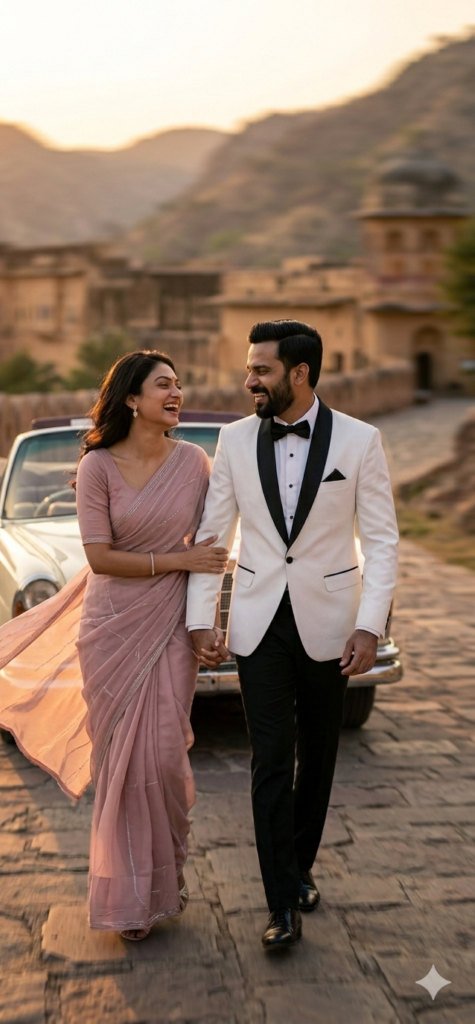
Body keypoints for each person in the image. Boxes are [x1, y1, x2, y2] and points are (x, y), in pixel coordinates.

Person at [0, 350, 228, 942]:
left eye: (178, 384)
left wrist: (207, 621)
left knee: (163, 756)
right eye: (163, 385)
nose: (176, 393)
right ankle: (132, 900)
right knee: (122, 765)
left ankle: (164, 878)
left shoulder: (195, 462)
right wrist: (179, 560)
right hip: (112, 625)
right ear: (131, 398)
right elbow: (100, 557)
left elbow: (212, 548)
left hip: (169, 624)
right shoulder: (97, 466)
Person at [186, 320, 398, 951]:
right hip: (258, 623)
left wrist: (370, 624)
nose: (249, 380)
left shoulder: (360, 441)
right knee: (271, 760)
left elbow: (382, 542)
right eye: (249, 368)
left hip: (332, 622)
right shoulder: (232, 440)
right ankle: (280, 902)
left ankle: (299, 866)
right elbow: (213, 536)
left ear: (299, 374)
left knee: (320, 756)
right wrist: (202, 619)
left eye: (262, 370)